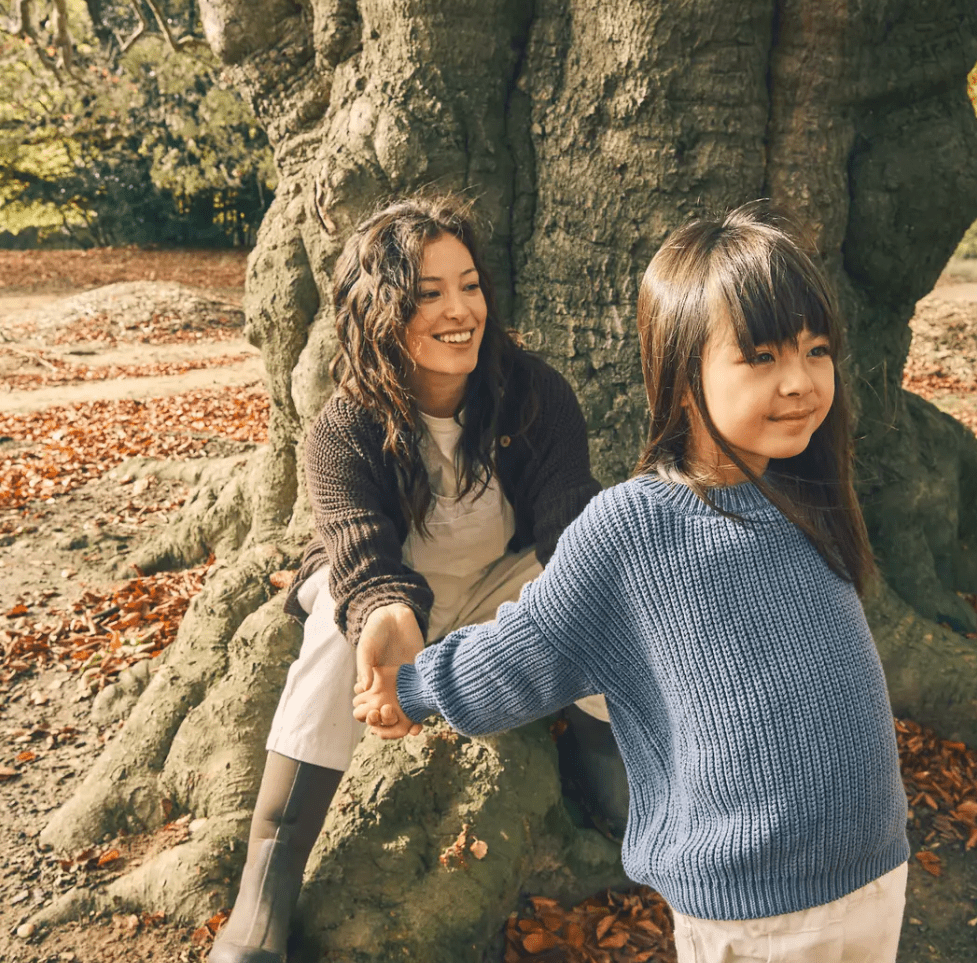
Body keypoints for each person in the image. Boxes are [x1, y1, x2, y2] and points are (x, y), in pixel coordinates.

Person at [355, 202, 911, 963]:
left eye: (816, 351)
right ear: (684, 376)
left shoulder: (805, 496)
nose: (801, 381)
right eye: (761, 357)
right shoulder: (635, 526)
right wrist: (410, 686)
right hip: (756, 913)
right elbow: (525, 651)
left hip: (876, 876)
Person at [208, 193, 621, 963]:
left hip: (505, 585)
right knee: (337, 606)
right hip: (391, 596)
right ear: (379, 307)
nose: (459, 310)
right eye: (428, 293)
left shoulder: (536, 394)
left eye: (469, 285)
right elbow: (360, 548)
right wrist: (387, 616)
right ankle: (265, 888)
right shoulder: (343, 426)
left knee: (596, 590)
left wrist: (589, 600)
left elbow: (569, 523)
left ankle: (613, 786)